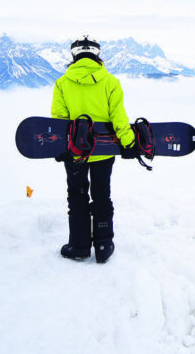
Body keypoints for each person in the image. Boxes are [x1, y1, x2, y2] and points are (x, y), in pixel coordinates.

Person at [51, 36, 138, 263]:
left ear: (74, 55)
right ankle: (103, 245)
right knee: (102, 196)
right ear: (97, 55)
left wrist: (60, 147)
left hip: (76, 153)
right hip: (104, 152)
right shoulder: (110, 82)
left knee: (77, 197)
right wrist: (129, 144)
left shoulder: (62, 83)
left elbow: (60, 120)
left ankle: (79, 246)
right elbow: (119, 118)